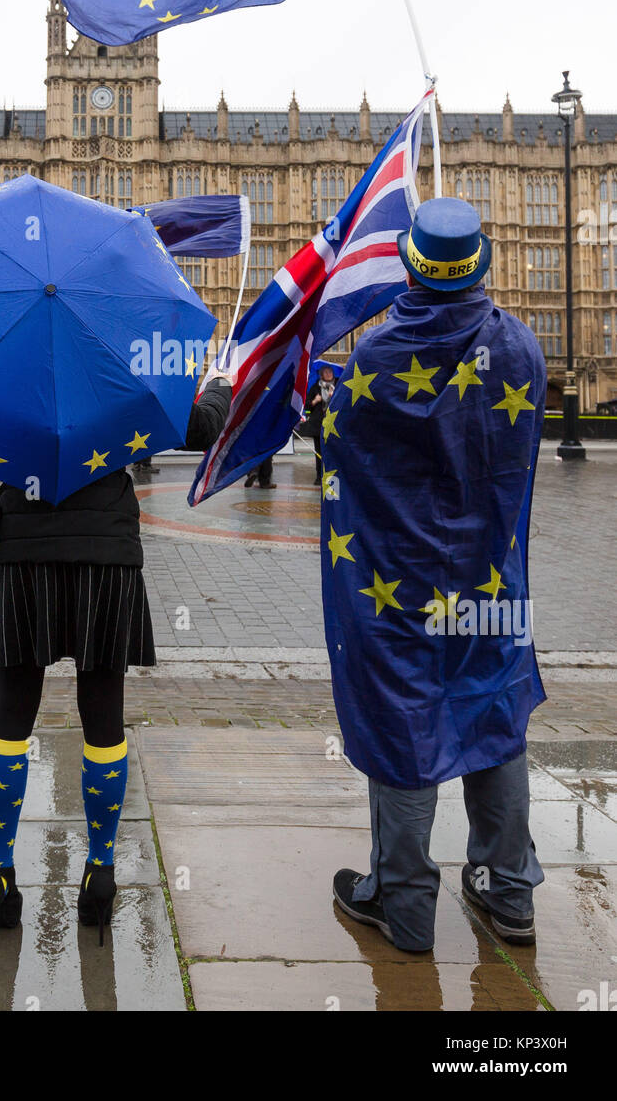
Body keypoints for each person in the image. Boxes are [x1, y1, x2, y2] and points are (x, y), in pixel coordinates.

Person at [323, 198, 547, 953]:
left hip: (400, 588)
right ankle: (507, 891)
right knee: (493, 716)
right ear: (477, 263)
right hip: (488, 585)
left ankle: (405, 904)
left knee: (403, 724)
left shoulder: (376, 358)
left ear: (411, 265)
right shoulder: (520, 347)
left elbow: (345, 451)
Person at [0, 371, 234, 947]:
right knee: (103, 715)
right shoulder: (122, 366)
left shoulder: (4, 370)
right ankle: (100, 873)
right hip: (104, 556)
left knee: (10, 715)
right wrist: (219, 384)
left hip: (23, 556)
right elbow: (203, 428)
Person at [306, 364, 337, 485]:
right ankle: (319, 476)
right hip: (318, 426)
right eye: (326, 372)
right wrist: (315, 401)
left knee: (333, 451)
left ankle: (332, 475)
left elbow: (346, 402)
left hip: (334, 425)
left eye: (330, 372)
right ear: (321, 375)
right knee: (319, 452)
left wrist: (333, 397)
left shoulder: (338, 385)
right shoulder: (315, 388)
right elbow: (307, 406)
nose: (329, 374)